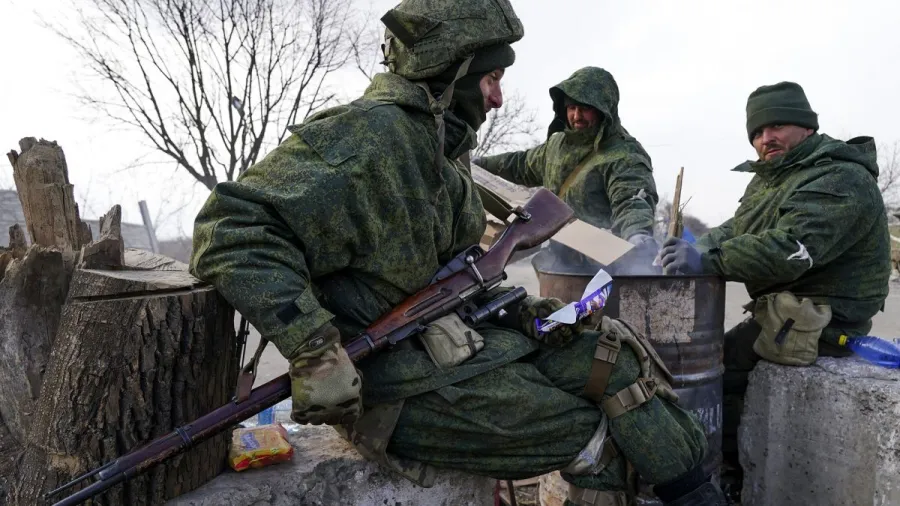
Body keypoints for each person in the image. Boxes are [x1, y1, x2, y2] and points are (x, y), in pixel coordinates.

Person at [189, 0, 725, 504]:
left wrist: (521, 311)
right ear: (453, 73)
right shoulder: (370, 137)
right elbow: (232, 225)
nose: (497, 98)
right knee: (595, 437)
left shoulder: (441, 148)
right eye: (492, 79)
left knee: (617, 362)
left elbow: (449, 272)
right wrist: (313, 346)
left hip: (458, 344)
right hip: (397, 381)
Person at [659, 81, 891, 500]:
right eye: (757, 132)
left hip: (825, 316)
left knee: (719, 372)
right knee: (706, 357)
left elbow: (791, 248)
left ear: (807, 127)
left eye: (777, 126)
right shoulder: (773, 179)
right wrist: (693, 247)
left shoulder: (840, 178)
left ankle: (728, 479)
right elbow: (737, 229)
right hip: (787, 307)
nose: (766, 138)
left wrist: (707, 261)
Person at [473, 66, 661, 276]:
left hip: (601, 271)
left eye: (585, 108)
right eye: (572, 107)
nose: (576, 116)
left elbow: (632, 200)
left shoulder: (624, 155)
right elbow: (518, 164)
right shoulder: (557, 146)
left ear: (603, 108)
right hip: (557, 267)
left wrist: (637, 234)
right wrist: (476, 164)